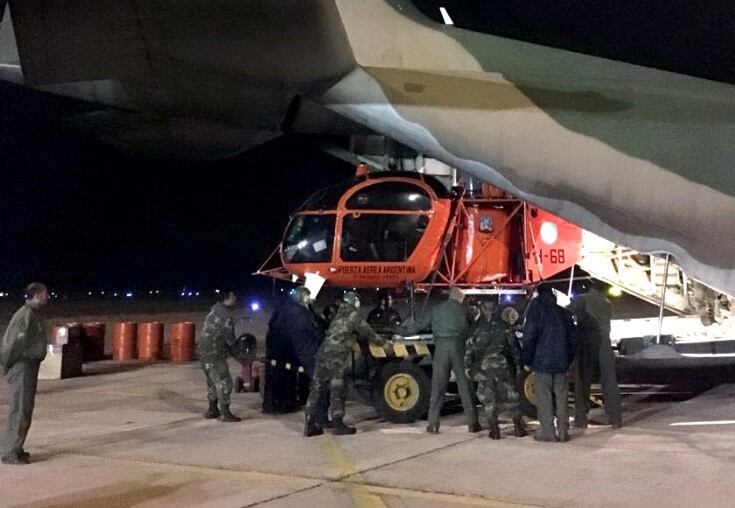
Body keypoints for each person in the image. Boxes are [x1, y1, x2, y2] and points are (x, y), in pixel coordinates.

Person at [303, 291, 388, 437]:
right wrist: (385, 344)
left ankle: (310, 424)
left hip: (322, 354)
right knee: (337, 389)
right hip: (337, 357)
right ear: (354, 302)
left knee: (316, 388)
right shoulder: (353, 316)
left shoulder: (338, 314)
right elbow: (369, 334)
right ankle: (338, 424)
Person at [401, 287, 480, 434]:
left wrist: (398, 330)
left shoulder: (436, 309)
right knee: (464, 385)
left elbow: (418, 326)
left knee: (438, 386)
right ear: (460, 298)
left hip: (441, 348)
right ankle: (473, 423)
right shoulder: (465, 310)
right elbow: (474, 329)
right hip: (459, 347)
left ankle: (433, 424)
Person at [0, 282, 49, 465]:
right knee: (20, 409)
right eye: (44, 294)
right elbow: (13, 345)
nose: (47, 297)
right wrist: (7, 365)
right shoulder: (25, 316)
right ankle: (10, 452)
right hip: (22, 366)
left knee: (24, 409)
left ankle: (16, 447)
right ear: (35, 296)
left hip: (28, 366)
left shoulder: (32, 315)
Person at [522, 284, 577, 442]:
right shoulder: (563, 313)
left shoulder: (536, 312)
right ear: (552, 294)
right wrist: (569, 359)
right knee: (561, 395)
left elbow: (529, 338)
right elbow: (573, 339)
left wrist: (526, 360)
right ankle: (563, 429)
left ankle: (548, 431)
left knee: (544, 396)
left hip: (542, 362)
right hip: (561, 362)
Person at [465, 300, 527, 439]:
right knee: (512, 396)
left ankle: (494, 429)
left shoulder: (475, 328)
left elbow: (469, 349)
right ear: (495, 309)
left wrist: (468, 367)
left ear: (481, 308)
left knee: (489, 398)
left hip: (484, 367)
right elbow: (513, 347)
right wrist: (518, 365)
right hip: (503, 366)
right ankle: (518, 427)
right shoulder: (504, 326)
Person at [568, 281, 622, 429]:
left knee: (582, 382)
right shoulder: (607, 303)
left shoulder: (582, 299)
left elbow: (568, 313)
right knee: (609, 381)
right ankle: (615, 418)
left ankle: (581, 418)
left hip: (588, 343)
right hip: (605, 343)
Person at [199, 290, 241, 423]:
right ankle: (225, 412)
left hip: (204, 352)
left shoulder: (215, 310)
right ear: (227, 299)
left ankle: (212, 409)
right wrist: (238, 353)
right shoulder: (225, 315)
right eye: (233, 296)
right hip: (215, 353)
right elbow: (230, 340)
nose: (235, 298)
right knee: (225, 381)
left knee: (212, 381)